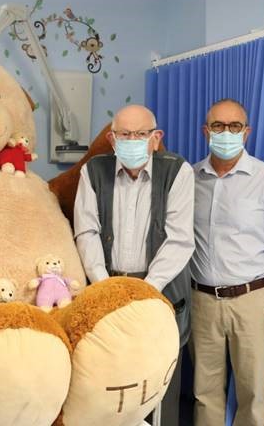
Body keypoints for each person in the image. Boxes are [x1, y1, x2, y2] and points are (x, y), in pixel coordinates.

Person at [74, 105, 195, 426]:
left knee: (159, 381)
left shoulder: (177, 171)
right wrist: (105, 287)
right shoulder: (94, 172)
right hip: (106, 286)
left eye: (140, 134)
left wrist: (145, 291)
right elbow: (86, 232)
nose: (132, 140)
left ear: (156, 139)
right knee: (111, 381)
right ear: (112, 140)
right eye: (125, 134)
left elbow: (180, 239)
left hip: (160, 290)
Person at [191, 99, 264, 426]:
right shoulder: (190, 178)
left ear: (247, 132)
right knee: (204, 391)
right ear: (205, 131)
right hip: (202, 300)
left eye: (234, 126)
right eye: (218, 126)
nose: (226, 133)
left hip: (252, 300)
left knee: (252, 393)